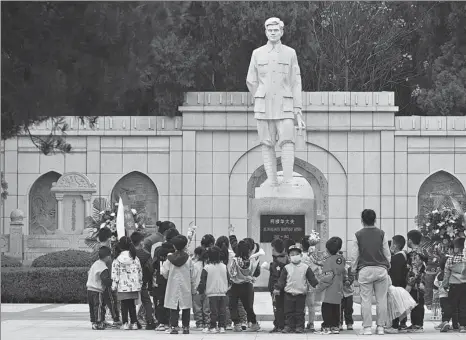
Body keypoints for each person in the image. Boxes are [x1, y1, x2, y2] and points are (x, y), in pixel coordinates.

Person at [246, 17, 305, 188]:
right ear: (265, 32)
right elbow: (251, 80)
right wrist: (260, 95)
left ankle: (287, 181)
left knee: (287, 142)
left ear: (282, 32)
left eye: (276, 30)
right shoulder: (257, 53)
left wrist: (298, 110)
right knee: (266, 143)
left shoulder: (290, 53)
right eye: (269, 30)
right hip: (264, 107)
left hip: (285, 106)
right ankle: (271, 181)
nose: (273, 33)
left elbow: (296, 82)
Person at [351, 209, 391, 335]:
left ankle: (367, 327)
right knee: (381, 299)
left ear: (362, 220)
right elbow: (387, 253)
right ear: (375, 219)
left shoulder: (358, 235)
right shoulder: (382, 233)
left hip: (365, 270)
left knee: (366, 300)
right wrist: (387, 266)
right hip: (381, 269)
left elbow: (354, 256)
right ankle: (380, 327)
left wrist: (353, 270)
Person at [273, 244, 318, 333]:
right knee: (289, 312)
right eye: (292, 255)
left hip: (301, 294)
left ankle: (299, 327)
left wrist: (316, 285)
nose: (294, 256)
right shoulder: (287, 268)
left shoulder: (306, 267)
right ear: (289, 257)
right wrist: (277, 288)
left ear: (301, 256)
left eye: (296, 254)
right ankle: (289, 326)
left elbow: (311, 278)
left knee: (299, 312)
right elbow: (282, 280)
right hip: (289, 294)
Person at [161, 235, 196, 335]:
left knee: (174, 306)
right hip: (185, 285)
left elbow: (164, 272)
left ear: (174, 246)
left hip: (173, 285)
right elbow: (193, 274)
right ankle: (186, 327)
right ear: (185, 246)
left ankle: (174, 327)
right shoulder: (188, 259)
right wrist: (193, 286)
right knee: (186, 307)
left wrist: (169, 277)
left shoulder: (169, 259)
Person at [315, 237, 346, 335]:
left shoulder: (328, 261)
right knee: (336, 308)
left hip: (328, 290)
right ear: (339, 248)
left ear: (327, 249)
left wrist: (319, 287)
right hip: (338, 288)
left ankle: (327, 326)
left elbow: (327, 277)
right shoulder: (341, 259)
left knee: (326, 307)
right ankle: (335, 326)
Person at [111, 236, 143, 330]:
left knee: (124, 305)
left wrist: (114, 285)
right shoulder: (135, 258)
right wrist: (140, 283)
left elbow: (115, 273)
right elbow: (139, 271)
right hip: (133, 286)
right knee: (132, 305)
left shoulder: (117, 259)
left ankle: (125, 323)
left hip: (122, 285)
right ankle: (134, 323)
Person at [228, 240, 260, 332]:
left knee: (233, 305)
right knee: (248, 306)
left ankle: (237, 324)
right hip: (247, 286)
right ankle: (254, 323)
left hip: (235, 286)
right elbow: (253, 273)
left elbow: (232, 273)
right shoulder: (251, 260)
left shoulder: (235, 260)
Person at [198, 246, 230, 333]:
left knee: (213, 311)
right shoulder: (224, 266)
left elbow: (203, 281)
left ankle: (213, 326)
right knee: (222, 310)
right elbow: (228, 278)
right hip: (223, 292)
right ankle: (222, 326)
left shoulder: (207, 267)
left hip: (211, 293)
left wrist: (200, 290)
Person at [130, 231, 156, 330]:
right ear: (141, 242)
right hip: (142, 281)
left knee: (131, 301)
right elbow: (150, 269)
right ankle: (150, 321)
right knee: (146, 301)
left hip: (130, 281)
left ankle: (133, 322)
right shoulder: (146, 254)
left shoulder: (129, 254)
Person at [384, 235, 409, 333]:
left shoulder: (397, 257)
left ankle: (394, 326)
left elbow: (395, 273)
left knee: (395, 306)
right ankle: (400, 324)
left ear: (394, 245)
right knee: (399, 305)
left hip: (396, 285)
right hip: (400, 285)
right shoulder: (402, 255)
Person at [443, 237, 466, 333]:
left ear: (456, 248)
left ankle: (448, 322)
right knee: (463, 306)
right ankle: (463, 326)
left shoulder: (450, 259)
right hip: (464, 285)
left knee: (452, 305)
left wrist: (445, 284)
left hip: (453, 285)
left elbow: (446, 273)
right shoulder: (464, 259)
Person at [87, 246, 113, 330]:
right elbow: (105, 279)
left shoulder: (95, 264)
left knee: (92, 307)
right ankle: (99, 322)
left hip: (89, 289)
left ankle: (94, 322)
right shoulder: (103, 267)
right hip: (97, 291)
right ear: (108, 257)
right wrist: (112, 282)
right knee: (98, 306)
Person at [405, 229, 427, 333]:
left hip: (417, 284)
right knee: (417, 303)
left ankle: (417, 325)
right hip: (421, 282)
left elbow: (415, 270)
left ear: (410, 240)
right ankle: (415, 324)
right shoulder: (422, 251)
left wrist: (409, 284)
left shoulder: (415, 254)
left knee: (416, 303)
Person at [266, 238, 288, 333]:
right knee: (282, 307)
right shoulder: (286, 259)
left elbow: (276, 277)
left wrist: (275, 288)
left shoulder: (277, 263)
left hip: (277, 289)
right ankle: (280, 324)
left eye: (272, 248)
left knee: (277, 307)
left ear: (275, 249)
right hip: (284, 288)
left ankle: (279, 325)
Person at [152, 242, 175, 331]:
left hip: (160, 280)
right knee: (171, 301)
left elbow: (153, 265)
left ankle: (161, 322)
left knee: (160, 301)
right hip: (171, 279)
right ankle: (170, 321)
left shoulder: (158, 251)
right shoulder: (173, 254)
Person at [301, 236, 321, 332]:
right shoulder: (314, 256)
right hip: (311, 282)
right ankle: (311, 323)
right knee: (311, 304)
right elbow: (317, 268)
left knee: (302, 304)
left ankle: (301, 322)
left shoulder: (300, 256)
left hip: (301, 282)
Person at [434, 256, 458, 332]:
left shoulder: (439, 275)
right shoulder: (452, 274)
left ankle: (445, 322)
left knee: (445, 309)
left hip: (442, 295)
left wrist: (436, 294)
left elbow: (435, 284)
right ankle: (455, 324)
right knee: (454, 309)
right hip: (452, 295)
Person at [192, 246, 210, 330]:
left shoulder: (195, 265)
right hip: (208, 288)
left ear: (197, 255)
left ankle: (199, 323)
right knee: (207, 307)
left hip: (196, 288)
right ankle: (207, 322)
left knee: (197, 307)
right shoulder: (208, 265)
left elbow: (192, 277)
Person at [340, 259, 354, 331]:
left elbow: (351, 276)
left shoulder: (348, 267)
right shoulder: (336, 268)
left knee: (348, 308)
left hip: (348, 292)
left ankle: (349, 323)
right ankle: (339, 323)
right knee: (339, 308)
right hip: (339, 291)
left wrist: (349, 281)